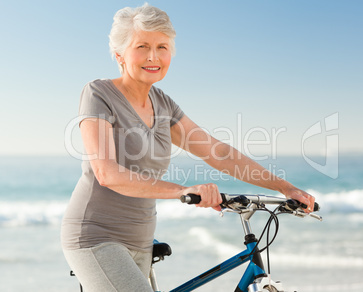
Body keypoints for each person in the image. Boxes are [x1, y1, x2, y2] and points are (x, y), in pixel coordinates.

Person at [61, 3, 315, 292]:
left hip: (141, 240)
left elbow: (218, 153)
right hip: (96, 237)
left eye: (162, 46)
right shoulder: (99, 93)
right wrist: (182, 191)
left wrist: (284, 187)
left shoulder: (164, 105)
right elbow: (107, 173)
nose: (153, 56)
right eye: (142, 46)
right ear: (119, 54)